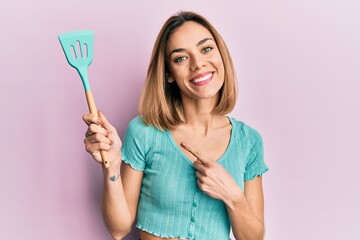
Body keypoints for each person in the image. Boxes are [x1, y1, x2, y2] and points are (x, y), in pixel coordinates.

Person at [83, 11, 268, 240]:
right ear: (169, 75)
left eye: (206, 49)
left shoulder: (248, 142)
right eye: (181, 58)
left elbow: (253, 238)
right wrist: (110, 167)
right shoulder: (145, 132)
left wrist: (233, 196)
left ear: (222, 55)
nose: (198, 63)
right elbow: (119, 229)